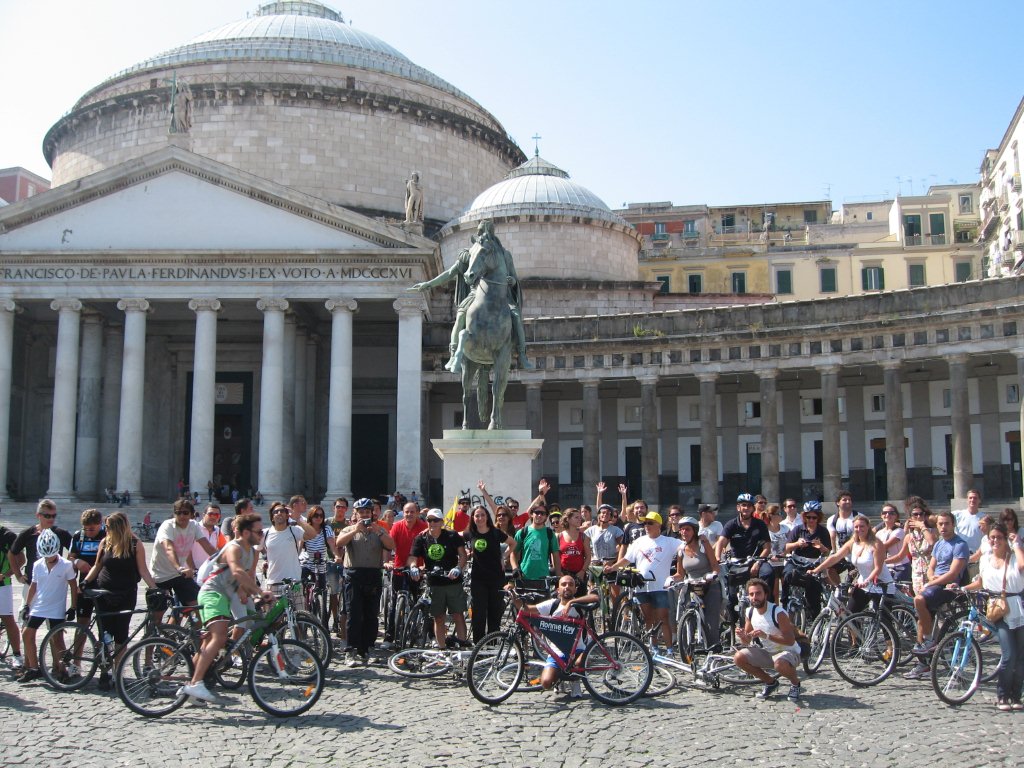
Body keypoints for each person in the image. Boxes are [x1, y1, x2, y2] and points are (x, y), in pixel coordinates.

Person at [182, 512, 269, 703]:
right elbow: (237, 571)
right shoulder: (233, 547)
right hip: (212, 592)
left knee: (209, 643)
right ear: (246, 533)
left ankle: (190, 687)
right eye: (259, 531)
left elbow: (240, 578)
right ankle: (196, 683)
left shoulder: (251, 551)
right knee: (219, 636)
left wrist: (249, 593)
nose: (261, 535)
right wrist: (260, 592)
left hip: (225, 594)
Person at [81, 511, 157, 688]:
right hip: (104, 593)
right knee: (105, 634)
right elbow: (97, 566)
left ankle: (118, 672)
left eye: (107, 527)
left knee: (121, 635)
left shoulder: (135, 544)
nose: (104, 530)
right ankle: (105, 671)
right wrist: (86, 581)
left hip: (126, 594)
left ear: (117, 528)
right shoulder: (105, 542)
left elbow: (143, 570)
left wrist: (155, 588)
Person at [965, 523, 1024, 710]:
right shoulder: (985, 559)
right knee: (1009, 654)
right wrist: (961, 588)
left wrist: (1017, 544)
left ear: (1006, 539)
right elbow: (980, 583)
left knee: (1020, 656)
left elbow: (1022, 566)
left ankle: (1016, 695)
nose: (995, 541)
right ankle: (1002, 695)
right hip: (999, 609)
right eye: (992, 537)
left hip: (1018, 606)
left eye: (999, 537)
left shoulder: (1014, 558)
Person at [905, 510, 969, 680]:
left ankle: (928, 641)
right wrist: (931, 576)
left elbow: (954, 573)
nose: (943, 527)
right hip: (934, 584)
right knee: (921, 619)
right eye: (940, 524)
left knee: (919, 599)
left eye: (947, 523)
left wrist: (932, 581)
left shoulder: (960, 544)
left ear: (953, 525)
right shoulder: (940, 544)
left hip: (949, 587)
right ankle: (923, 663)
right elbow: (931, 566)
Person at [509, 573, 597, 697]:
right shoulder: (552, 604)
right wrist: (513, 596)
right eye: (564, 584)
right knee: (546, 682)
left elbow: (594, 598)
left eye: (571, 584)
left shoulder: (579, 605)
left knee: (579, 663)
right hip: (557, 653)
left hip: (578, 650)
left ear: (575, 589)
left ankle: (575, 681)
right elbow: (527, 609)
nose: (567, 587)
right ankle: (559, 679)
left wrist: (571, 602)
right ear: (558, 590)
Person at [604, 512, 682, 648]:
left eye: (650, 523)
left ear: (659, 525)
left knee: (663, 618)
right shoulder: (639, 542)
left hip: (660, 587)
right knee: (648, 619)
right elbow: (627, 560)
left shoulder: (669, 541)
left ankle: (669, 649)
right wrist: (613, 568)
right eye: (645, 523)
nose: (646, 526)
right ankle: (654, 649)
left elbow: (687, 546)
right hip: (641, 586)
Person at [336, 498, 394, 666]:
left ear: (372, 513)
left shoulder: (379, 530)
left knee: (371, 615)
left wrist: (380, 532)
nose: (364, 515)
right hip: (354, 575)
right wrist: (355, 530)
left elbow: (391, 544)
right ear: (356, 514)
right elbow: (339, 543)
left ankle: (367, 648)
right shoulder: (349, 529)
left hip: (373, 574)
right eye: (361, 512)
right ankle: (350, 651)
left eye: (367, 512)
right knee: (353, 615)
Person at [16, 529, 77, 684]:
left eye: (51, 555)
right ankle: (34, 669)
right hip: (39, 605)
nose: (49, 558)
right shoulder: (37, 565)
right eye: (46, 556)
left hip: (56, 607)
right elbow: (33, 587)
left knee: (58, 640)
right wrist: (27, 606)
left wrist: (73, 607)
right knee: (27, 634)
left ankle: (62, 670)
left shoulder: (66, 565)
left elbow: (73, 586)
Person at [733, 578, 803, 702]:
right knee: (739, 658)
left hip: (789, 652)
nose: (755, 597)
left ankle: (795, 684)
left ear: (766, 594)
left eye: (758, 593)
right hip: (768, 652)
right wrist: (743, 636)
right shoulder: (750, 612)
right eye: (751, 594)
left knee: (779, 664)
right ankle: (770, 682)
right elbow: (747, 641)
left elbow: (790, 640)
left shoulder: (778, 613)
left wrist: (767, 636)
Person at [410, 509, 469, 649]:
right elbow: (412, 557)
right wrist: (413, 566)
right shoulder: (422, 538)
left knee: (458, 615)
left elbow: (463, 555)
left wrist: (458, 568)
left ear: (442, 522)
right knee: (438, 617)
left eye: (436, 520)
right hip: (434, 583)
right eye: (429, 520)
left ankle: (462, 647)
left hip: (453, 581)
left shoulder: (452, 535)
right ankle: (442, 649)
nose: (432, 523)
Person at [810, 514, 893, 614]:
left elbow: (878, 568)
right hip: (864, 585)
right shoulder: (853, 542)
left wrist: (867, 580)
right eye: (856, 527)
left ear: (868, 527)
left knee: (883, 622)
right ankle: (857, 630)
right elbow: (835, 557)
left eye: (862, 526)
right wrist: (816, 570)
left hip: (881, 585)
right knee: (850, 616)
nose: (859, 529)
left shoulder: (876, 543)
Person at [149, 498, 216, 619]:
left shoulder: (194, 526)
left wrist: (226, 560)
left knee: (200, 607)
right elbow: (168, 548)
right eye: (178, 512)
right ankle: (152, 636)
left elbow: (208, 546)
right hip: (161, 576)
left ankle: (195, 636)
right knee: (157, 615)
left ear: (191, 514)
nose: (181, 516)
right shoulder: (167, 526)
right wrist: (179, 567)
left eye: (185, 512)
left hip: (179, 575)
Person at [462, 501, 514, 642]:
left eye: (482, 515)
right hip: (478, 579)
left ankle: (492, 643)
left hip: (496, 578)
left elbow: (513, 543)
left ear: (487, 517)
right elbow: (453, 536)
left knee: (494, 613)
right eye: (477, 515)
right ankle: (478, 644)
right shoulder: (469, 533)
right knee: (478, 613)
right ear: (473, 518)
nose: (480, 518)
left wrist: (503, 556)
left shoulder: (495, 532)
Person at [715, 493, 774, 608]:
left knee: (768, 573)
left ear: (753, 508)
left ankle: (767, 607)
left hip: (756, 560)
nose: (746, 508)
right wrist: (717, 558)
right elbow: (721, 542)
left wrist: (758, 563)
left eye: (749, 505)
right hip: (736, 562)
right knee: (730, 597)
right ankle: (732, 622)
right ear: (738, 507)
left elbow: (767, 547)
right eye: (743, 505)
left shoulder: (760, 524)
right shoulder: (731, 524)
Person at [673, 516, 721, 646]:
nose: (684, 532)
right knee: (688, 612)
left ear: (694, 531)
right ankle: (688, 646)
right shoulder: (681, 549)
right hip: (693, 585)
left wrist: (713, 574)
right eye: (682, 530)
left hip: (709, 584)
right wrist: (671, 579)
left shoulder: (703, 543)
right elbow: (680, 573)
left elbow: (715, 565)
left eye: (687, 529)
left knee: (710, 619)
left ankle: (714, 647)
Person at [383, 500, 425, 646]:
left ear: (418, 513)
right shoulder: (397, 526)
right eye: (407, 512)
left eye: (412, 512)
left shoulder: (424, 527)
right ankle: (389, 636)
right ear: (403, 513)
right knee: (394, 603)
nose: (409, 514)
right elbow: (388, 545)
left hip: (417, 569)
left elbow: (428, 548)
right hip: (399, 568)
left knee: (420, 602)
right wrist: (387, 561)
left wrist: (424, 566)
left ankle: (424, 633)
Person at [262, 500, 316, 612]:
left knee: (300, 616)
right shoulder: (265, 533)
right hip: (273, 582)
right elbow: (255, 551)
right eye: (276, 512)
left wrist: (298, 520)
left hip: (294, 581)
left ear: (287, 515)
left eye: (282, 511)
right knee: (275, 621)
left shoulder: (294, 530)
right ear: (272, 517)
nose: (279, 513)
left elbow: (312, 534)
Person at [782, 501, 832, 620]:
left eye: (814, 517)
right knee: (787, 575)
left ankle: (813, 617)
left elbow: (828, 552)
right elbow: (786, 548)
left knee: (814, 588)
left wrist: (821, 547)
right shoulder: (798, 529)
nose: (811, 520)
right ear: (804, 517)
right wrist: (797, 544)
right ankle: (784, 606)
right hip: (796, 561)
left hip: (813, 563)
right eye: (808, 517)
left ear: (818, 518)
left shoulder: (823, 531)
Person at [10, 499, 72, 594]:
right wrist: (18, 576)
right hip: (31, 583)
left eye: (53, 516)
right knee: (26, 608)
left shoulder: (61, 533)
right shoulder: (28, 533)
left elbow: (73, 551)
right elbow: (12, 553)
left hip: (54, 583)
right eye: (47, 516)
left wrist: (66, 569)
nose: (51, 519)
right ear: (38, 515)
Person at [68, 509, 104, 672]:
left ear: (100, 525)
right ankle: (76, 663)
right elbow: (70, 556)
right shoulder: (78, 536)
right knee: (82, 623)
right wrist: (77, 562)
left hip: (103, 585)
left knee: (105, 626)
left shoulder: (106, 536)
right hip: (84, 586)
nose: (89, 532)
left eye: (92, 529)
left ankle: (105, 664)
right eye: (86, 529)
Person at [886, 500, 936, 594]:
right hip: (917, 575)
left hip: (931, 573)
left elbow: (931, 542)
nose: (918, 517)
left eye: (921, 514)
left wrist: (922, 526)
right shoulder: (909, 537)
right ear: (910, 518)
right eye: (915, 515)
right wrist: (883, 561)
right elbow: (900, 556)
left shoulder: (931, 531)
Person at [510, 501, 561, 587]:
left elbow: (556, 556)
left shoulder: (550, 533)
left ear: (546, 516)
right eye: (537, 512)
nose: (539, 515)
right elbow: (513, 553)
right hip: (524, 577)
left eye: (543, 513)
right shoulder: (522, 532)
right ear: (531, 514)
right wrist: (515, 569)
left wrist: (559, 578)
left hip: (544, 578)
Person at [0, 520, 23, 669]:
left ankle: (17, 655)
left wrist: (5, 574)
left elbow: (21, 559)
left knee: (8, 619)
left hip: (2, 584)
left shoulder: (8, 535)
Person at [557, 508, 591, 595]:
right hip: (563, 572)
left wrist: (583, 571)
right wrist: (559, 572)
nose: (579, 519)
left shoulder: (584, 537)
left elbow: (588, 556)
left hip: (579, 573)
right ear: (567, 519)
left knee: (579, 601)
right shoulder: (558, 536)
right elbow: (555, 556)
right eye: (576, 517)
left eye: (580, 517)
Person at [954, 489, 984, 579]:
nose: (972, 500)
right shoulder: (957, 515)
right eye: (970, 498)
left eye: (975, 498)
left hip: (976, 558)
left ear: (979, 500)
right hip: (959, 556)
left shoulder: (983, 518)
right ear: (967, 500)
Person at [875, 503, 909, 582]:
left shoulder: (899, 531)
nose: (887, 515)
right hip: (885, 567)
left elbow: (884, 546)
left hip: (900, 566)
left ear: (896, 516)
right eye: (884, 513)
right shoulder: (879, 533)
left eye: (891, 513)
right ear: (881, 515)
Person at [191, 503, 225, 572]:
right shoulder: (194, 527)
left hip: (207, 572)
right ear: (203, 515)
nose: (213, 517)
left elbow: (222, 548)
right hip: (193, 571)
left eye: (216, 515)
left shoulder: (217, 530)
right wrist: (193, 568)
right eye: (210, 514)